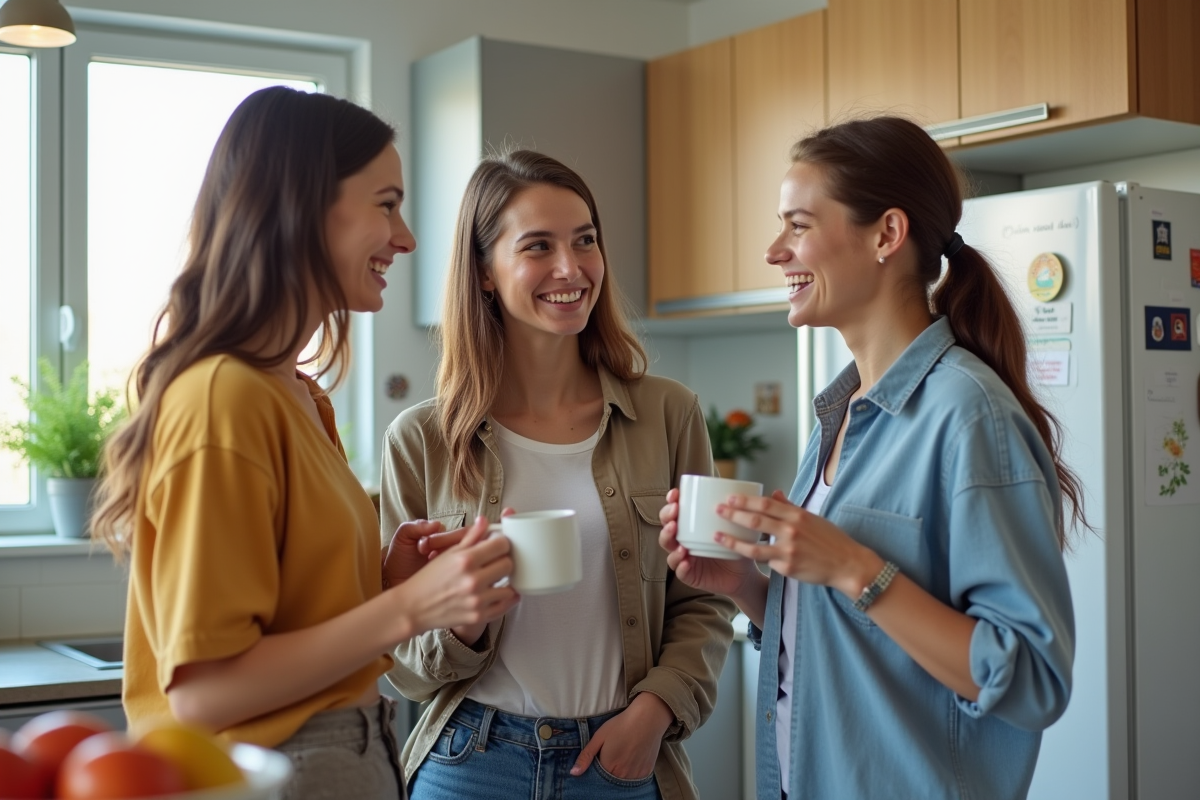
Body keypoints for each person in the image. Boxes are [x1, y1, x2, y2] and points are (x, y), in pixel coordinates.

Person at [91, 86, 518, 800]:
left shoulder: (294, 392)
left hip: (345, 756)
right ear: (300, 207)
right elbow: (205, 693)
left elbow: (291, 626)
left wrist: (385, 583)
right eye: (387, 203)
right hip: (279, 768)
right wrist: (411, 610)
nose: (407, 237)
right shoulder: (224, 398)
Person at [658, 116, 1080, 800]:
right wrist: (746, 587)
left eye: (798, 224)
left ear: (886, 234)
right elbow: (855, 642)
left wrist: (854, 567)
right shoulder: (843, 411)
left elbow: (1032, 679)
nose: (773, 250)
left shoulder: (968, 416)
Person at [379, 150, 736, 800]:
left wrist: (654, 712)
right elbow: (399, 655)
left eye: (585, 241)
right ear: (484, 272)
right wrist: (465, 621)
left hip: (621, 761)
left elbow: (706, 599)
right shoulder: (421, 440)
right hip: (470, 763)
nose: (571, 269)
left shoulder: (669, 413)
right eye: (537, 247)